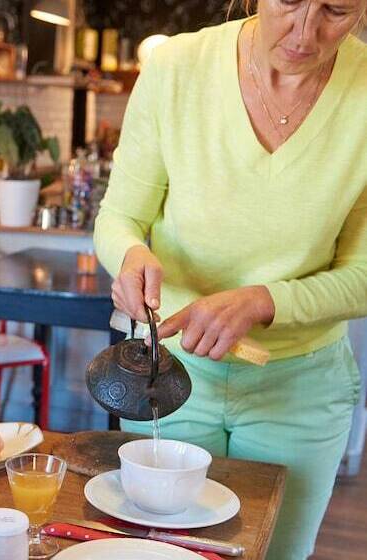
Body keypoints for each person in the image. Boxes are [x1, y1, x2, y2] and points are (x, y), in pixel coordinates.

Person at [95, 2, 367, 559]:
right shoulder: (177, 68)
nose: (304, 31)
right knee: (159, 552)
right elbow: (119, 216)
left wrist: (267, 301)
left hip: (300, 389)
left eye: (336, 10)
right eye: (289, 2)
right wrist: (129, 255)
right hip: (166, 374)